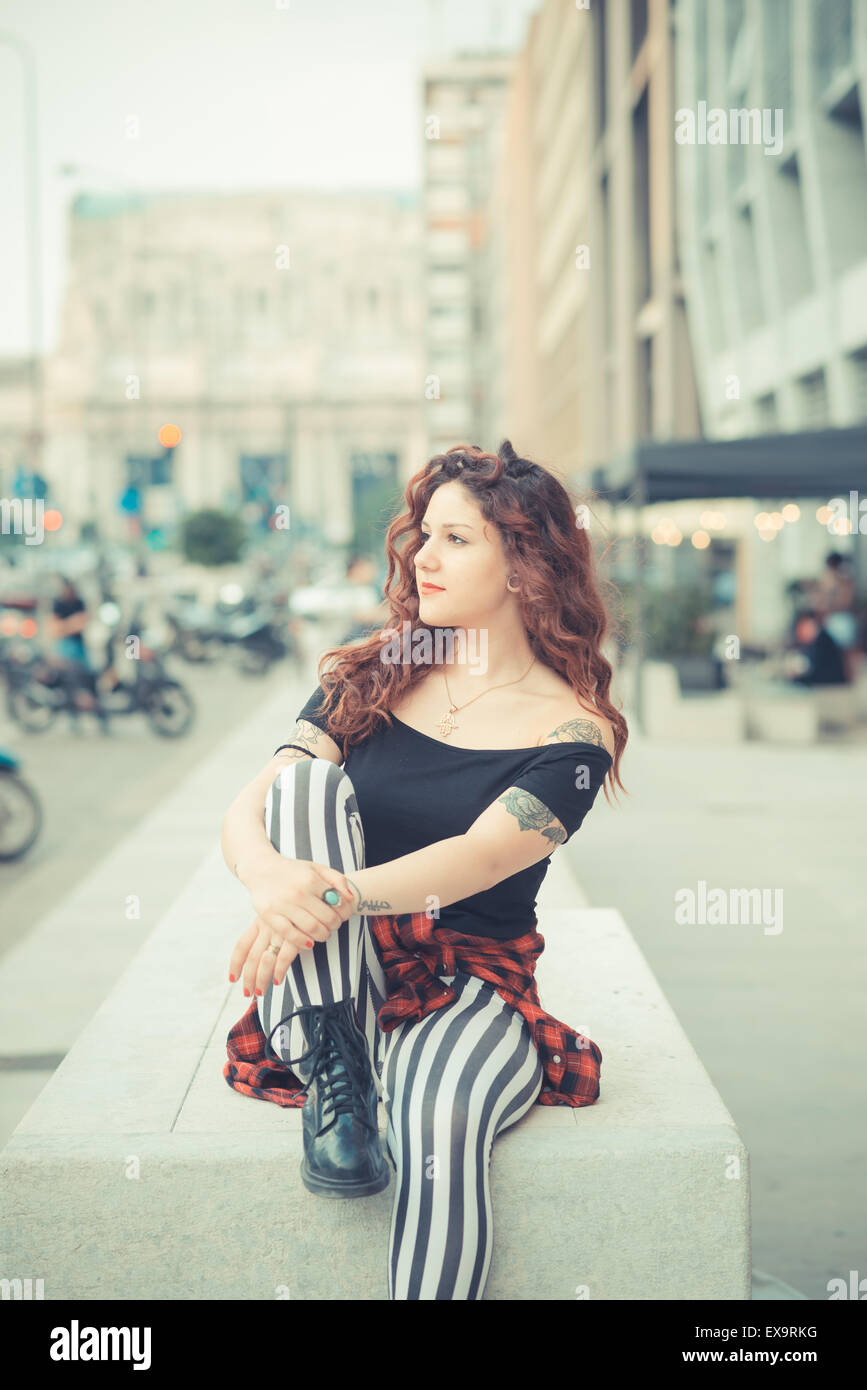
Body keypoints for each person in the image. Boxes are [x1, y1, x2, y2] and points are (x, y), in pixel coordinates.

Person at [220, 440, 628, 1300]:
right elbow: (251, 808)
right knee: (305, 786)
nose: (420, 557)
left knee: (439, 1121)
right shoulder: (372, 673)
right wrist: (269, 883)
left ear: (525, 566)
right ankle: (339, 1070)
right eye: (421, 534)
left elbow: (477, 859)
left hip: (466, 978)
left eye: (455, 540)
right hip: (337, 978)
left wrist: (326, 895)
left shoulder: (575, 733)